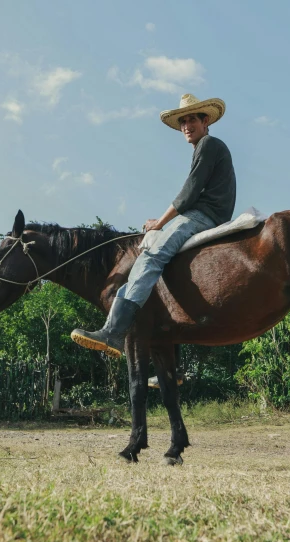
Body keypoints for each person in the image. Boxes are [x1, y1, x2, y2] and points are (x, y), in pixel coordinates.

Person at [70, 93, 236, 359]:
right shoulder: (205, 148)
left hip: (202, 215)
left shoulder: (209, 145)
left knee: (150, 257)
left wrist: (159, 223)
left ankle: (113, 332)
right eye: (182, 121)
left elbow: (189, 193)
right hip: (207, 214)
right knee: (159, 267)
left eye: (192, 119)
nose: (186, 126)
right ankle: (167, 356)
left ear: (206, 121)